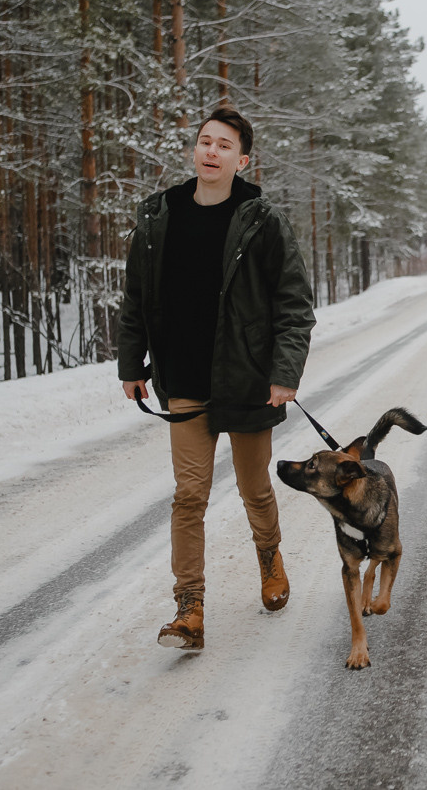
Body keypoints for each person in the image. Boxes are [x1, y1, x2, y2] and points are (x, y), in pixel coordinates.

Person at [118, 105, 315, 650]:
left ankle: (270, 561)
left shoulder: (262, 220)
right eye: (205, 141)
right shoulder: (159, 215)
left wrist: (284, 373)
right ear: (195, 150)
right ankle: (190, 608)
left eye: (224, 145)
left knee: (255, 488)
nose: (211, 151)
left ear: (242, 159)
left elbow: (295, 305)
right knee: (189, 496)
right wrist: (131, 365)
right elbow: (136, 297)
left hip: (248, 378)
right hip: (182, 377)